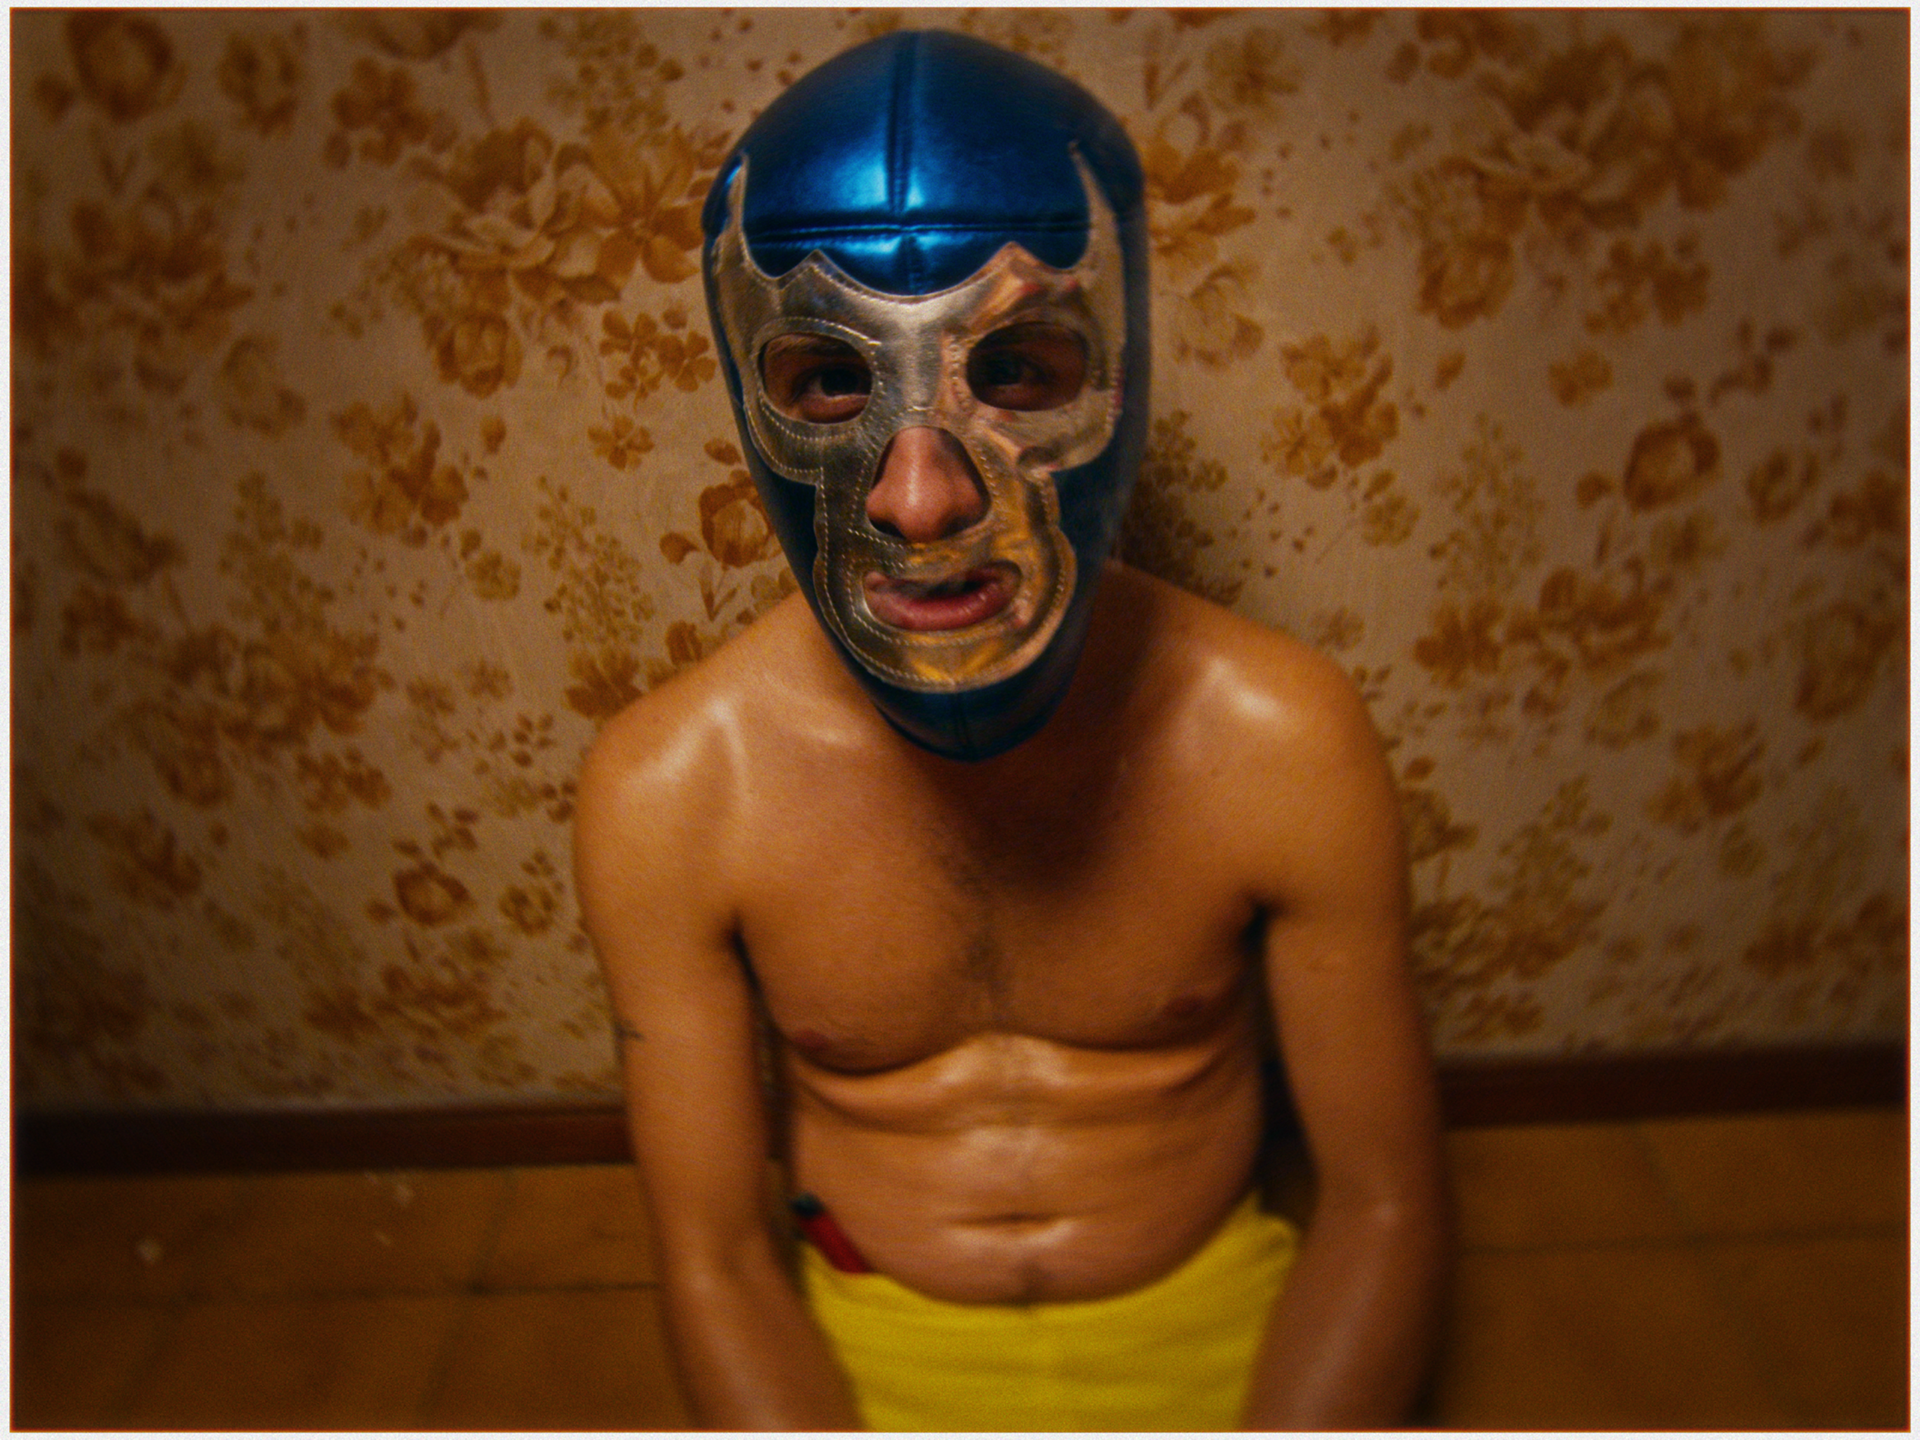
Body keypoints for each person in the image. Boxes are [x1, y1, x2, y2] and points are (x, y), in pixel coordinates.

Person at [575, 30, 1449, 1432]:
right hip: (862, 1344)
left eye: (1020, 370)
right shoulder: (675, 787)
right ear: (750, 396)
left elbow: (1385, 1198)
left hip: (1222, 1331)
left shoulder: (1278, 736)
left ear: (1124, 370)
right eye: (833, 381)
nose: (921, 498)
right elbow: (715, 1255)